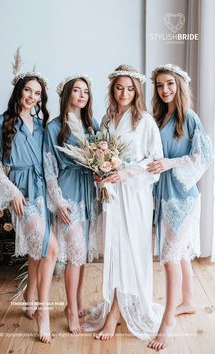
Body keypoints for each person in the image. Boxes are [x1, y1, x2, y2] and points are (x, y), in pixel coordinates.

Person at [83, 64, 164, 340]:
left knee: (129, 250)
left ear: (136, 91)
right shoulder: (106, 120)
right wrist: (101, 173)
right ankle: (114, 308)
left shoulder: (145, 121)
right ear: (112, 89)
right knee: (114, 250)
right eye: (119, 88)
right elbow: (100, 154)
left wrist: (126, 172)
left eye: (130, 88)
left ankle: (115, 315)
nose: (124, 93)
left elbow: (155, 162)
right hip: (112, 197)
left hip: (134, 195)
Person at [0, 72, 59, 343]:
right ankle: (44, 313)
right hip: (21, 194)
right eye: (28, 90)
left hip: (42, 191)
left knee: (38, 248)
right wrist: (12, 192)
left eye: (37, 93)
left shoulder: (42, 126)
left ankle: (30, 294)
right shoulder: (2, 123)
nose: (32, 97)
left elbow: (49, 163)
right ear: (19, 91)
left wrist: (57, 197)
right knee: (50, 247)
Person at [147, 64, 213, 351]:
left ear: (179, 86)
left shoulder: (190, 118)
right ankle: (188, 300)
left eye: (170, 84)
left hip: (184, 196)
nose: (165, 90)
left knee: (170, 257)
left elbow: (204, 156)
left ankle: (168, 323)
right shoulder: (159, 118)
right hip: (164, 194)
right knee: (181, 252)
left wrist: (169, 164)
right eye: (160, 85)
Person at [43, 75, 100, 334]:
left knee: (82, 255)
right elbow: (49, 168)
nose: (81, 95)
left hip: (88, 193)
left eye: (85, 91)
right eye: (76, 90)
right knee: (74, 255)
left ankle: (77, 304)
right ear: (67, 94)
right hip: (67, 195)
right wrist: (58, 202)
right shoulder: (54, 127)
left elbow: (100, 157)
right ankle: (69, 310)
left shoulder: (92, 125)